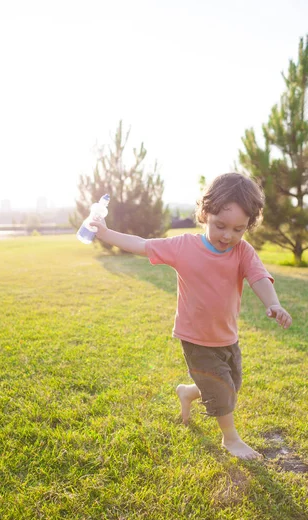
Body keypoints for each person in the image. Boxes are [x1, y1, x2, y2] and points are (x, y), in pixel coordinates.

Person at [89, 173, 292, 460]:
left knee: (231, 385)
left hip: (226, 335)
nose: (227, 236)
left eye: (238, 229)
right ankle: (230, 439)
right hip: (195, 337)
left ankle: (187, 392)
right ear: (204, 214)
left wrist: (274, 304)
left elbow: (258, 277)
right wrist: (106, 234)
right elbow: (143, 244)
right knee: (222, 392)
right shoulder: (183, 246)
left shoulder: (242, 251)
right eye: (220, 226)